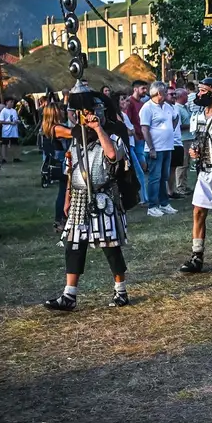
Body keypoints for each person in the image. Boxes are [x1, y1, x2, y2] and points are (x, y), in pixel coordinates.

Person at [43, 90, 132, 311]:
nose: (86, 117)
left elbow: (112, 156)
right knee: (74, 245)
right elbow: (71, 170)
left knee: (110, 246)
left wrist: (97, 129)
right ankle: (69, 295)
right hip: (79, 198)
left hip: (104, 198)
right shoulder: (76, 139)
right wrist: (67, 198)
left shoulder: (114, 135)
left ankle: (121, 291)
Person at [178, 79, 212, 274]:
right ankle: (197, 255)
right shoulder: (197, 116)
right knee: (198, 211)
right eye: (199, 91)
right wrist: (194, 151)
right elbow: (197, 141)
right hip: (205, 171)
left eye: (203, 91)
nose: (199, 94)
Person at [139, 81, 178, 218]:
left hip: (167, 147)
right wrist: (151, 148)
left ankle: (164, 203)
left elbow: (175, 117)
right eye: (166, 92)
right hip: (155, 148)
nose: (168, 94)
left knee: (164, 177)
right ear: (159, 93)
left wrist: (170, 129)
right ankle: (152, 206)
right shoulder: (147, 108)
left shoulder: (167, 106)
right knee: (155, 178)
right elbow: (144, 129)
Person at [41, 102, 72, 232]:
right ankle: (60, 221)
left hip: (58, 163)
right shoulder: (57, 128)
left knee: (63, 191)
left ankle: (61, 220)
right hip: (62, 163)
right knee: (65, 192)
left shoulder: (48, 127)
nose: (63, 112)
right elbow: (74, 133)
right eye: (60, 110)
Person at [0, 95, 22, 163]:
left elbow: (16, 119)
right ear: (6, 102)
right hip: (6, 131)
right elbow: (1, 121)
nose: (12, 103)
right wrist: (9, 123)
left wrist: (17, 121)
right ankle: (4, 158)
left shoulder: (14, 111)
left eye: (13, 102)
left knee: (14, 144)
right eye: (11, 102)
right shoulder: (3, 111)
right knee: (4, 144)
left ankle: (16, 157)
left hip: (14, 130)